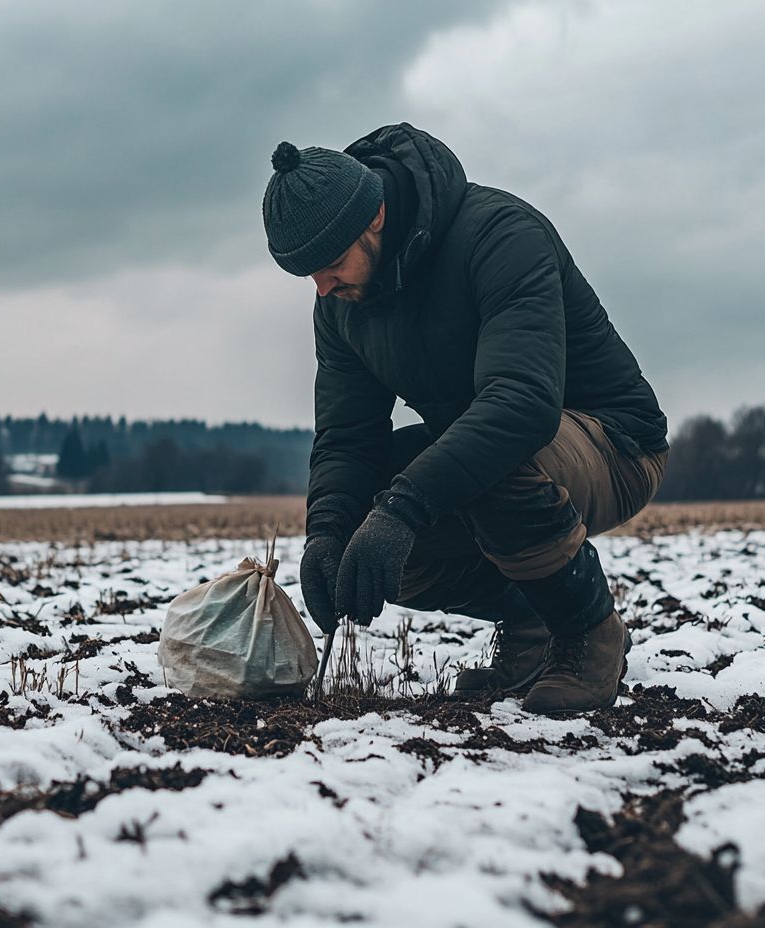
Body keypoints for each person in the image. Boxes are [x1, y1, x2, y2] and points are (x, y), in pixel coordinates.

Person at [262, 123, 668, 714]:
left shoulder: (500, 235)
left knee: (483, 457)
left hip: (613, 445)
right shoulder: (343, 305)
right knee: (366, 527)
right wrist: (328, 531)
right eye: (308, 276)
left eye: (329, 264)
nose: (321, 288)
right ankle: (532, 621)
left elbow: (521, 404)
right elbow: (349, 437)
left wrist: (402, 509)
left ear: (374, 217)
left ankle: (588, 634)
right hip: (500, 450)